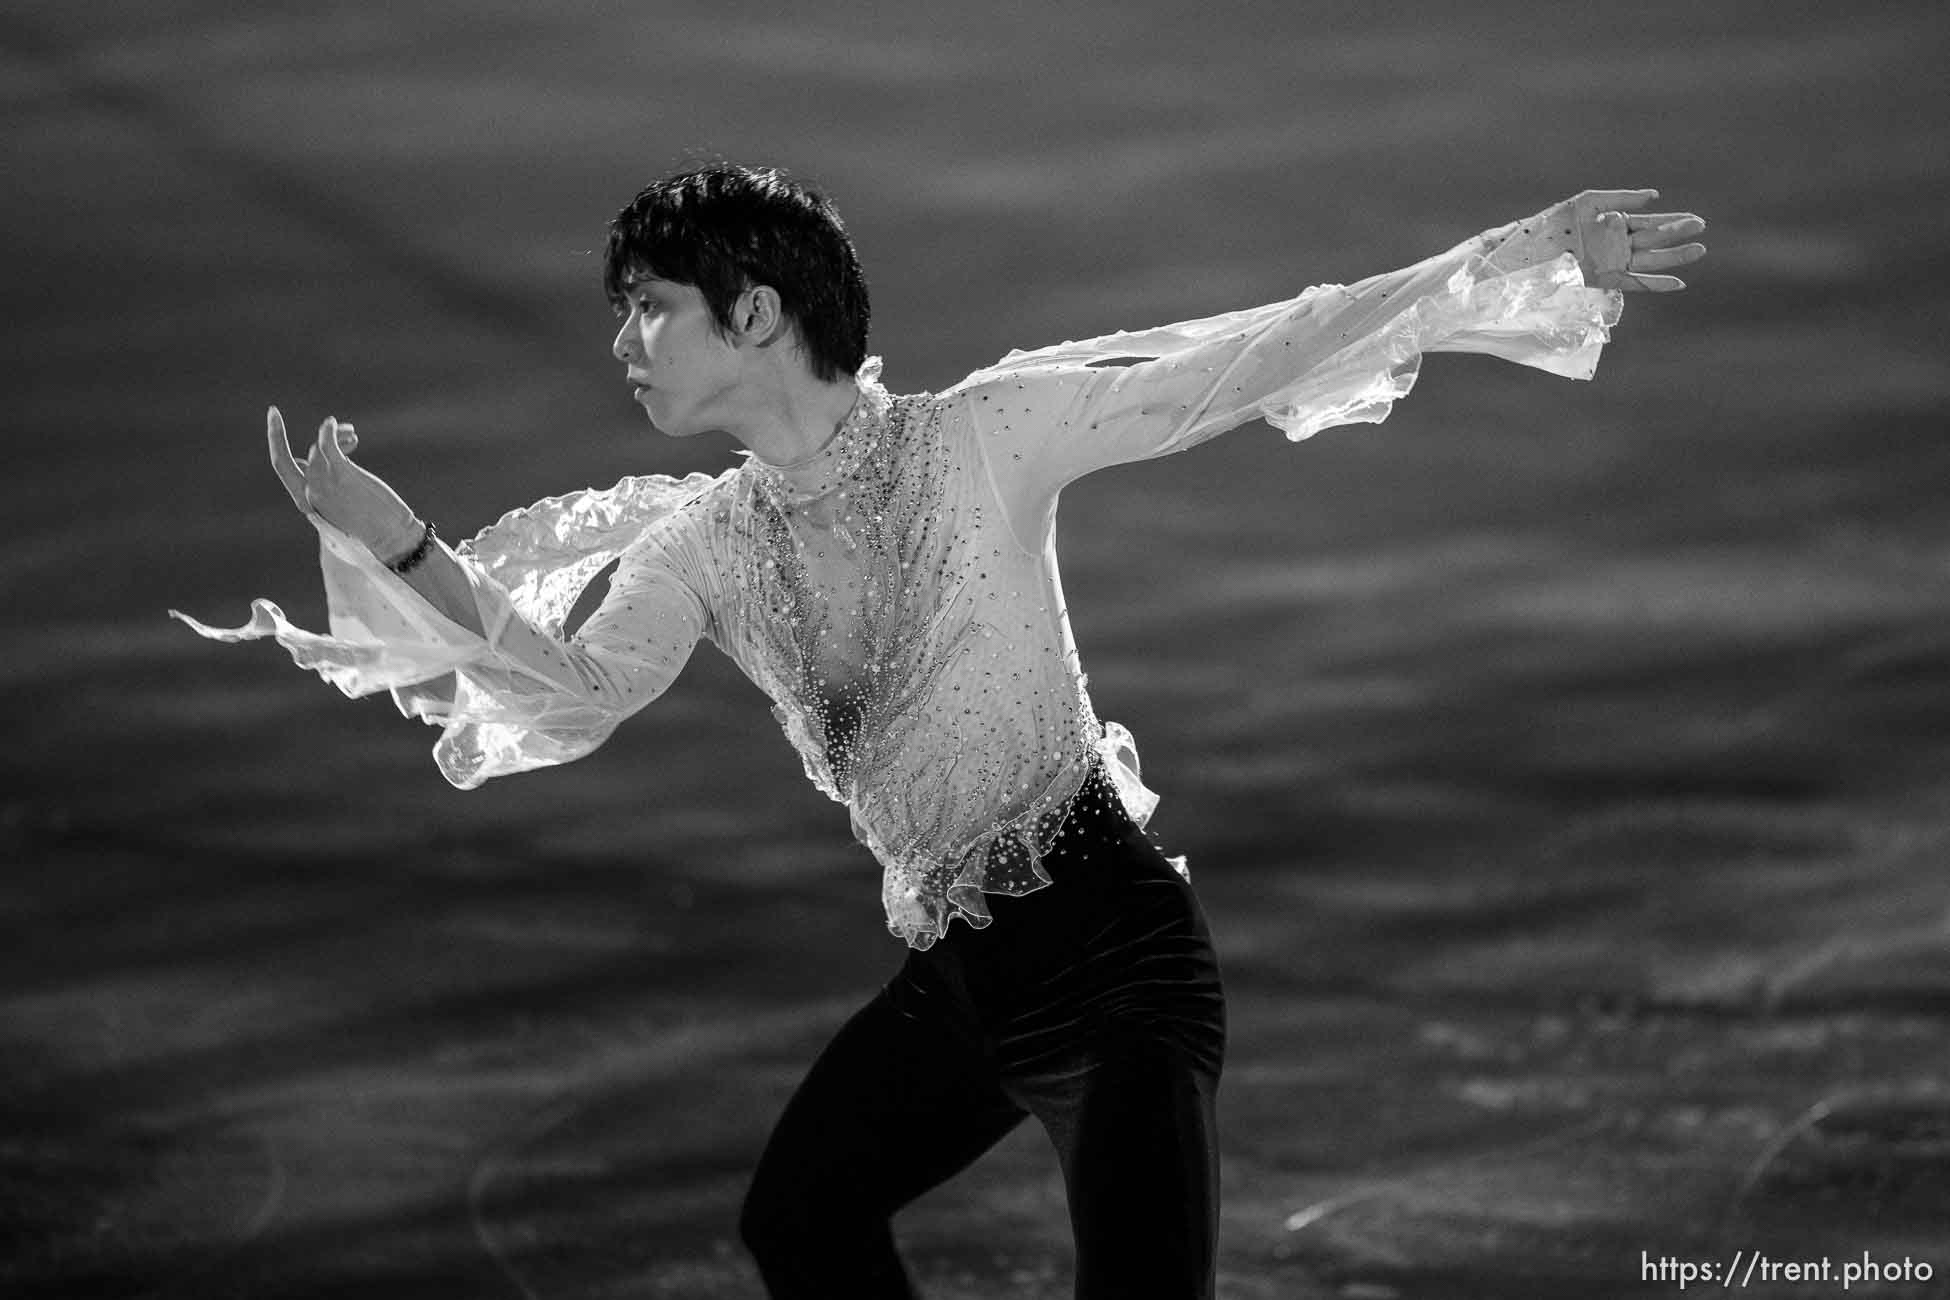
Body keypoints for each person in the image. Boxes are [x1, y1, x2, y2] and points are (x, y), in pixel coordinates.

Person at [172, 163, 1706, 1298]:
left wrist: (1525, 256)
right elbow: (568, 698)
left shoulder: (989, 435)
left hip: (1113, 964)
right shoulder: (697, 549)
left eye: (648, 308)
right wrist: (400, 547)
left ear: (755, 311)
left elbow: (1259, 352)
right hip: (970, 982)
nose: (623, 344)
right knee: (801, 1218)